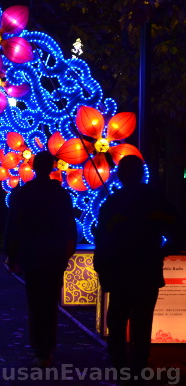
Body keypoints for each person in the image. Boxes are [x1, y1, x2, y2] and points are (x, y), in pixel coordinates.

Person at [94, 155, 181, 379]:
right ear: (142, 174)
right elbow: (178, 230)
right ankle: (139, 370)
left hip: (121, 273)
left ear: (121, 175)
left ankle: (122, 369)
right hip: (146, 272)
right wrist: (162, 251)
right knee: (143, 324)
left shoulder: (113, 204)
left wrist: (103, 270)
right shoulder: (154, 200)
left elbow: (102, 239)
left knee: (117, 322)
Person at [4, 151, 77, 367]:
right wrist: (67, 252)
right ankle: (48, 346)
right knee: (50, 302)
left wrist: (12, 254)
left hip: (32, 255)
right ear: (52, 167)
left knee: (35, 302)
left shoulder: (24, 193)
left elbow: (14, 226)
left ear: (34, 167)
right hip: (54, 255)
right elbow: (69, 227)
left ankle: (40, 348)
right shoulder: (61, 195)